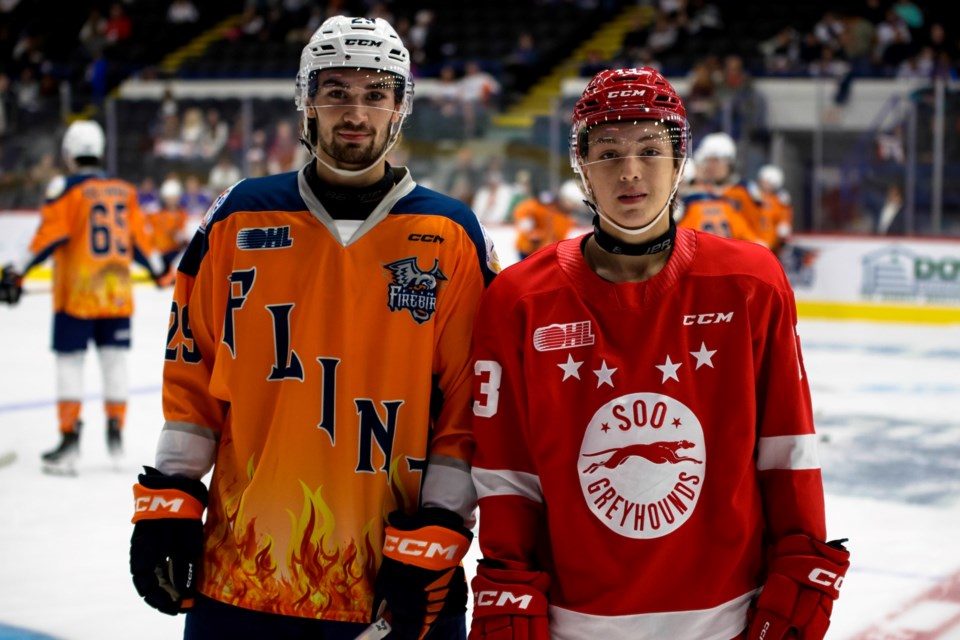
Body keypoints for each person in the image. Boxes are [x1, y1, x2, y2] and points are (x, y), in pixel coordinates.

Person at [128, 15, 499, 640]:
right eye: (336, 92)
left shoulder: (453, 234)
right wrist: (169, 500)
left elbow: (471, 403)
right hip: (242, 571)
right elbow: (191, 373)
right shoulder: (239, 216)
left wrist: (439, 529)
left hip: (391, 576)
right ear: (307, 101)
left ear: (400, 108)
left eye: (375, 94)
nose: (355, 112)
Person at [467, 68, 850, 640]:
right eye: (608, 152)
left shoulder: (750, 282)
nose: (629, 172)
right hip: (575, 623)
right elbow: (508, 477)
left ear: (679, 160)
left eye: (650, 149)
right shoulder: (520, 300)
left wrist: (802, 571)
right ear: (581, 165)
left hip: (727, 618)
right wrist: (509, 585)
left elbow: (787, 452)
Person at [0, 119, 156, 475]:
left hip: (77, 296)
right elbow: (139, 243)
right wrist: (159, 271)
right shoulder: (123, 190)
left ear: (70, 154)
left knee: (70, 363)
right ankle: (116, 437)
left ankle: (70, 441)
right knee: (114, 363)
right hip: (116, 296)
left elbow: (49, 237)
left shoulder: (65, 188)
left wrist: (17, 271)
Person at [147, 177, 189, 278]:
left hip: (175, 252)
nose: (172, 201)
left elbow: (186, 238)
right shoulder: (156, 214)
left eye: (174, 197)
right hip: (160, 253)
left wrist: (181, 236)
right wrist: (152, 251)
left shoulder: (183, 214)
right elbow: (148, 233)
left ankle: (170, 276)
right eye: (169, 198)